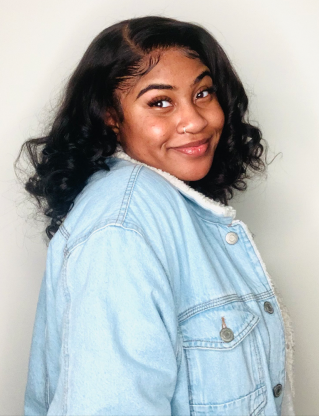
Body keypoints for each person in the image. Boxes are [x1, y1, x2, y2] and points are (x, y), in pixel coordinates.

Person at [19, 16, 293, 415]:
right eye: (160, 102)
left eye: (203, 93)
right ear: (111, 116)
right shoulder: (121, 232)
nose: (195, 120)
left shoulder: (164, 205)